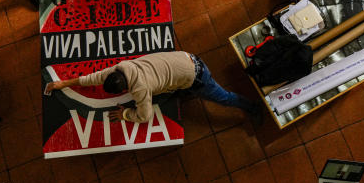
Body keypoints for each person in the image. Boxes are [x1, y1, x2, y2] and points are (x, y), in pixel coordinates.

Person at [45, 50, 262, 125]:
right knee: (170, 87)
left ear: (124, 89)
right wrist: (64, 83)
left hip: (198, 78)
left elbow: (145, 116)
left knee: (223, 98)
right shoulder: (122, 67)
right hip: (188, 58)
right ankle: (182, 88)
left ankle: (252, 107)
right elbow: (93, 78)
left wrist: (126, 115)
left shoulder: (140, 89)